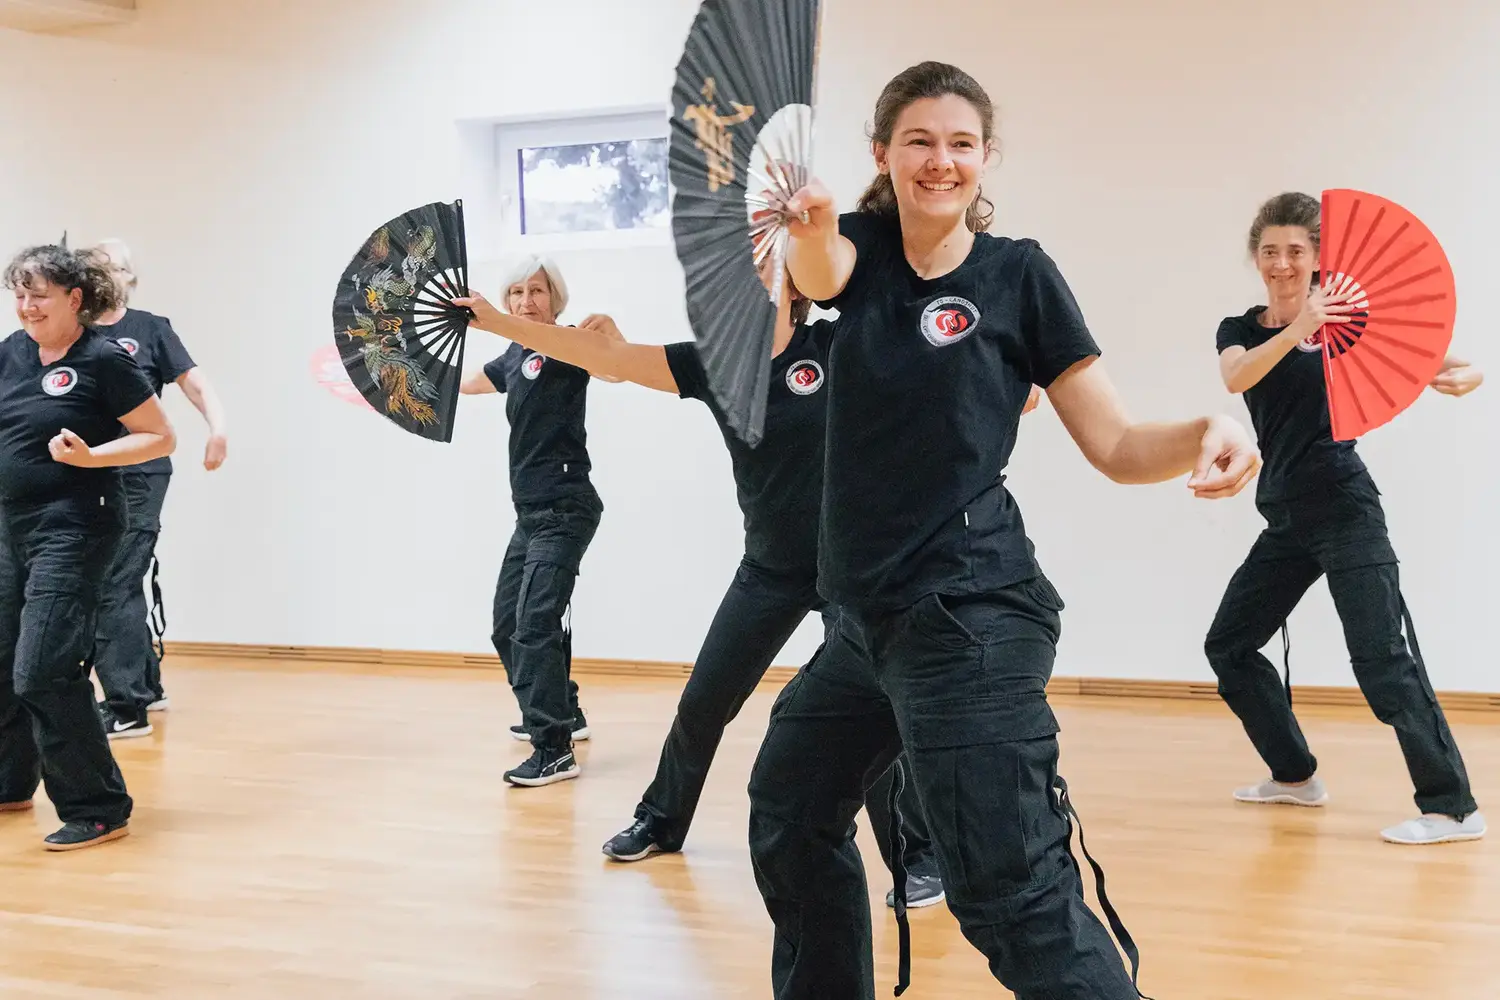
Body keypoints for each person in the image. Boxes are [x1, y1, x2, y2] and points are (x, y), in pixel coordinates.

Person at [745, 61, 1261, 999]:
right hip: (862, 625)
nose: (940, 161)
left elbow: (1114, 441)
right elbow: (822, 272)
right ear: (882, 154)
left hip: (970, 618)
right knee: (790, 810)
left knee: (1006, 888)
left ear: (986, 158)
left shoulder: (1018, 274)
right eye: (918, 142)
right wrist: (809, 223)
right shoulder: (853, 247)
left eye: (960, 143)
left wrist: (1206, 430)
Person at [453, 267, 1015, 907]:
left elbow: (937, 362)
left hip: (851, 574)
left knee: (867, 719)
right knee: (703, 703)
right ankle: (661, 821)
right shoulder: (713, 367)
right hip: (770, 569)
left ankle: (918, 859)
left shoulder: (835, 348)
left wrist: (1008, 382)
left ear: (795, 297)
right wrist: (501, 323)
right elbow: (608, 358)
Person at [1205, 191, 1486, 846]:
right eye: (1270, 251)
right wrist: (1299, 328)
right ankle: (1296, 776)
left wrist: (1466, 374)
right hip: (1285, 516)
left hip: (1345, 507)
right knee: (1230, 646)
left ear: (1319, 258)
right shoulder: (1240, 330)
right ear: (1256, 256)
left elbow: (1431, 360)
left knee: (1382, 658)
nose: (1280, 263)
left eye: (1295, 251)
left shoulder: (1347, 321)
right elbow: (1237, 379)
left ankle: (1453, 807)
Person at [0, 244, 175, 850]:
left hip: (76, 525)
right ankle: (9, 784)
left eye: (38, 295)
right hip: (10, 526)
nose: (25, 307)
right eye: (18, 295)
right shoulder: (10, 356)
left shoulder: (105, 360)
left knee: (43, 667)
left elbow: (159, 435)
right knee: (3, 659)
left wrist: (93, 456)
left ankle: (98, 807)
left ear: (75, 299)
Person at [459, 255, 603, 787]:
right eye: (516, 292)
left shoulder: (567, 344)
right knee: (507, 626)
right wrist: (402, 381)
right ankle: (565, 709)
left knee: (535, 624)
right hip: (530, 514)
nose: (525, 301)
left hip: (566, 508)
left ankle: (553, 748)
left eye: (536, 291)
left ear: (555, 297)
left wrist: (496, 317)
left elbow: (609, 365)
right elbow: (473, 383)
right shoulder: (516, 353)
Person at [79, 239, 229, 738]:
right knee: (116, 581)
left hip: (139, 474)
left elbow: (194, 383)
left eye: (117, 266)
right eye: (96, 266)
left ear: (129, 276)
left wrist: (217, 428)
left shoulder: (149, 329)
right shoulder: (73, 333)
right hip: (86, 473)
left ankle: (125, 706)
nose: (107, 274)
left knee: (113, 582)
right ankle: (146, 684)